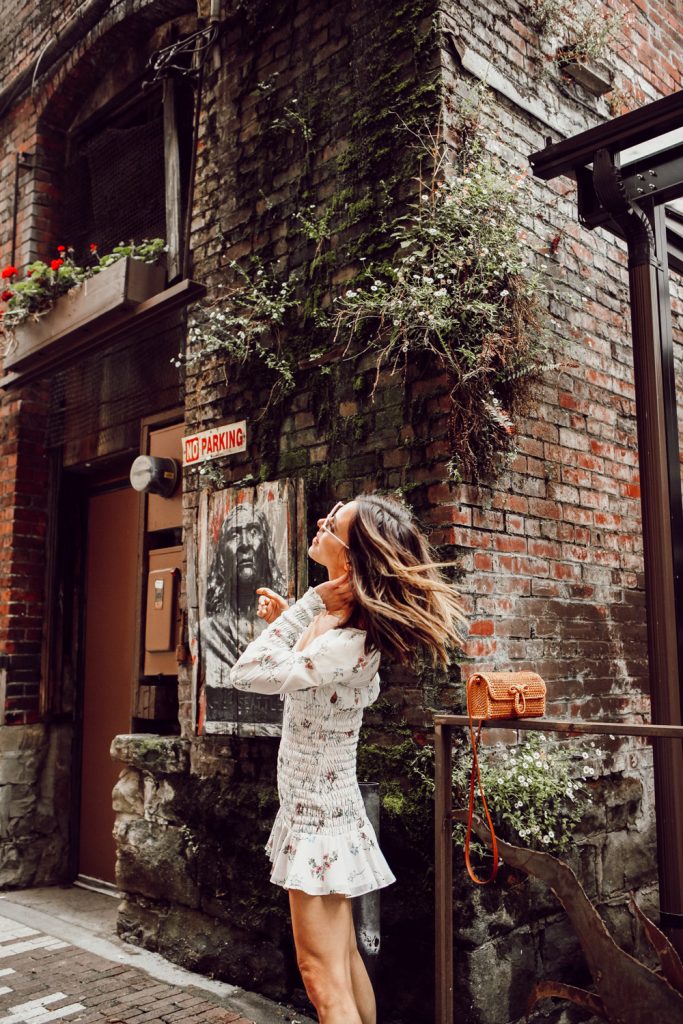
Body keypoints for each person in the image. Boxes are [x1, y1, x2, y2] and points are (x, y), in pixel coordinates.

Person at [229, 493, 466, 1024]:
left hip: (317, 817)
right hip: (324, 809)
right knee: (343, 961)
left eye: (333, 523)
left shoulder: (346, 637)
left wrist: (307, 604)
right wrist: (295, 611)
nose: (322, 523)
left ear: (352, 559)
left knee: (319, 975)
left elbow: (246, 672)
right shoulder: (346, 627)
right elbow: (302, 664)